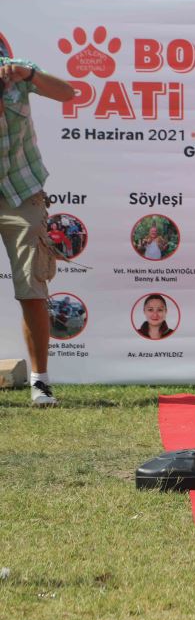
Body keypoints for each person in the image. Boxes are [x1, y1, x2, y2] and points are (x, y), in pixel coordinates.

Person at [0, 55, 77, 406]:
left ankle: (40, 382)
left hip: (22, 194)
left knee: (32, 288)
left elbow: (67, 93)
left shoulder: (18, 71)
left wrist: (27, 74)